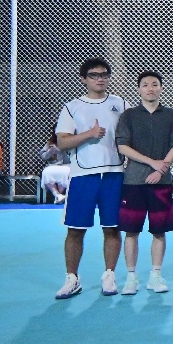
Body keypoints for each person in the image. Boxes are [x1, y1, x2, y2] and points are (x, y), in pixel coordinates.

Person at [53, 59, 130, 299]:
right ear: (83, 79)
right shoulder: (72, 107)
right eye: (94, 75)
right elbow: (62, 142)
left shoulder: (121, 104)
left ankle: (109, 275)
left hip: (114, 175)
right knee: (75, 230)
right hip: (83, 176)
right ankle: (72, 278)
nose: (100, 78)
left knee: (112, 227)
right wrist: (89, 134)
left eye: (104, 74)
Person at [115, 71, 173, 295]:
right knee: (131, 231)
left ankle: (156, 275)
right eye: (145, 85)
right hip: (134, 181)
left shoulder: (171, 115)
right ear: (139, 89)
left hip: (161, 183)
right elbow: (123, 146)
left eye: (154, 84)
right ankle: (131, 278)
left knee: (159, 231)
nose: (150, 88)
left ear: (161, 88)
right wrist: (152, 163)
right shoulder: (129, 116)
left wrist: (161, 169)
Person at [40, 132, 71, 203]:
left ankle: (58, 196)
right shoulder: (50, 143)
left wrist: (62, 151)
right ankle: (58, 195)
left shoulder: (70, 143)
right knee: (46, 173)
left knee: (66, 172)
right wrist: (50, 151)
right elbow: (43, 156)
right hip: (52, 165)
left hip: (66, 165)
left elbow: (70, 158)